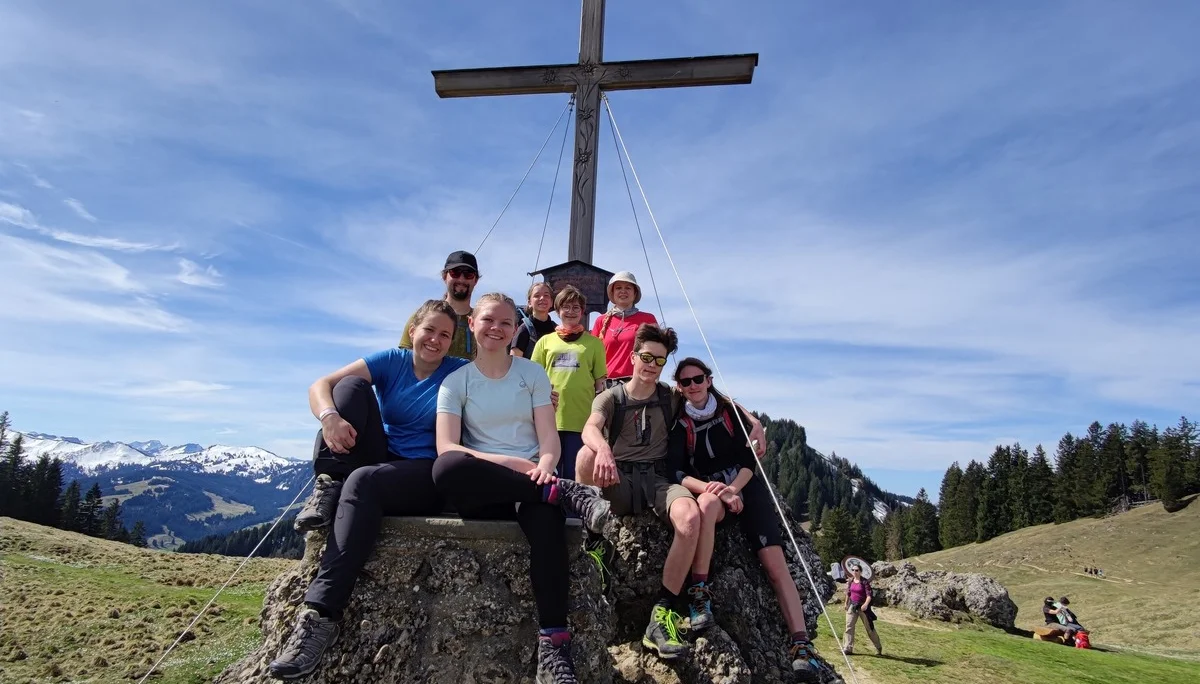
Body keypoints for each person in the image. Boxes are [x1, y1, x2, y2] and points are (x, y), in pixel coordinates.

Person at [269, 300, 471, 679]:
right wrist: (329, 418)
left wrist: (540, 398)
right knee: (348, 387)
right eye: (430, 330)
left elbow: (502, 382)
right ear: (413, 330)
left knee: (362, 481)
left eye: (446, 334)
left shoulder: (460, 371)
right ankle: (328, 483)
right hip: (383, 455)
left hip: (426, 472)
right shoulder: (392, 360)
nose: (436, 339)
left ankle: (319, 616)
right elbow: (320, 385)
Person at [431, 292, 615, 684]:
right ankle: (562, 493)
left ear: (516, 329)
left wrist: (546, 466)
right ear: (472, 325)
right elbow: (447, 446)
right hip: (487, 484)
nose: (496, 329)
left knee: (547, 529)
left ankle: (554, 645)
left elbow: (548, 439)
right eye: (488, 321)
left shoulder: (531, 373)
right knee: (446, 468)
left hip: (536, 482)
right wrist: (520, 467)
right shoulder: (455, 382)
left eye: (505, 323)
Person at [666, 357, 825, 676]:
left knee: (775, 564)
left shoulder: (729, 413)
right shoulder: (681, 424)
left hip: (747, 487)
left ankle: (801, 644)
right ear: (679, 388)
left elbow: (750, 461)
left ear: (709, 380)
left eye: (698, 379)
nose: (693, 386)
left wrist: (734, 489)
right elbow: (676, 471)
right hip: (711, 490)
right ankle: (700, 593)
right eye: (686, 382)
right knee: (707, 505)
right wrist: (720, 492)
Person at [576, 323, 697, 661]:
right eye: (646, 356)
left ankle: (661, 614)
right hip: (618, 479)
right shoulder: (611, 397)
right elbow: (590, 427)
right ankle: (595, 542)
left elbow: (714, 396)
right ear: (633, 357)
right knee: (585, 454)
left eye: (659, 360)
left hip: (657, 480)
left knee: (689, 518)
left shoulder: (669, 397)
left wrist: (754, 421)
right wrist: (602, 450)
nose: (651, 365)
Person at [530, 285, 607, 480]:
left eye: (576, 307)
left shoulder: (595, 343)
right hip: (549, 418)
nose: (571, 311)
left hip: (581, 418)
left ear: (582, 311)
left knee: (575, 472)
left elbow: (600, 384)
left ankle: (573, 510)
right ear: (557, 310)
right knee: (549, 472)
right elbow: (533, 378)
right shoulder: (544, 342)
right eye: (566, 307)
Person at [399, 250, 481, 359]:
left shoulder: (483, 323)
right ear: (444, 276)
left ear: (475, 280)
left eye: (468, 274)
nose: (461, 279)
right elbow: (404, 361)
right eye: (455, 273)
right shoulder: (422, 316)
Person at [590, 271, 658, 387]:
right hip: (607, 386)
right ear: (612, 293)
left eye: (628, 288)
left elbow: (658, 352)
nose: (623, 291)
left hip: (637, 384)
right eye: (618, 288)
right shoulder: (601, 321)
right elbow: (591, 356)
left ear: (635, 293)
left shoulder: (648, 319)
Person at [842, 561, 882, 656]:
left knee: (869, 628)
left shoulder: (864, 582)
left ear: (860, 572)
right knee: (849, 627)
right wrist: (846, 603)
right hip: (852, 606)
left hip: (863, 608)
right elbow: (849, 593)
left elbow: (869, 595)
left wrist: (866, 604)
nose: (854, 572)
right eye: (853, 570)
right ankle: (848, 648)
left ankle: (878, 647)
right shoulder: (851, 581)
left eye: (856, 570)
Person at [511, 281, 558, 359]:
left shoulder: (557, 330)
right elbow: (514, 362)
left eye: (546, 295)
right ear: (529, 303)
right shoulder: (524, 330)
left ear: (551, 302)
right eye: (537, 295)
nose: (542, 298)